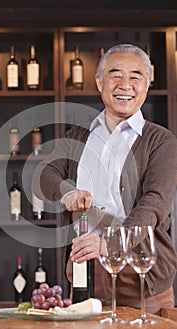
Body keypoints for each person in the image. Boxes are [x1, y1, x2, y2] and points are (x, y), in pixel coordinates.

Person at [32, 44, 177, 314]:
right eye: (115, 75)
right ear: (99, 82)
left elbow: (155, 203)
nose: (125, 85)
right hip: (86, 270)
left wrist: (109, 244)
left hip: (143, 273)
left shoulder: (161, 141)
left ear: (147, 84)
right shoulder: (77, 135)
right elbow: (44, 174)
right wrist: (67, 193)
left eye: (135, 76)